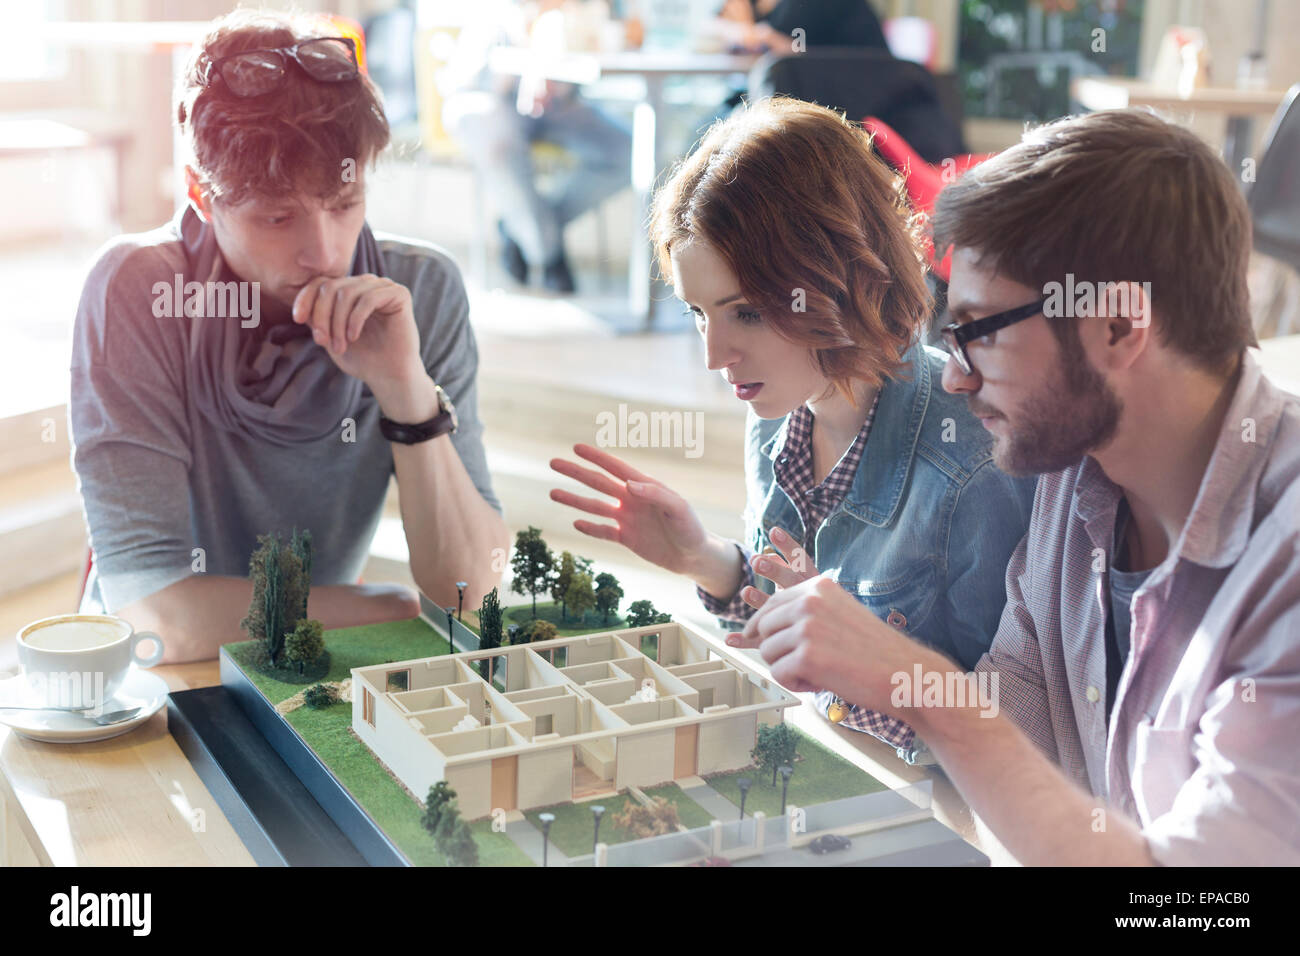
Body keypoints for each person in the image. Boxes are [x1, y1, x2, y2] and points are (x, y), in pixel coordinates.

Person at [733, 108, 1300, 864]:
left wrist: (916, 684)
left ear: (1120, 326)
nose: (957, 376)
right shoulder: (1074, 485)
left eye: (981, 331)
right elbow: (1013, 750)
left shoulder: (1283, 561)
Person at [549, 98, 1035, 763]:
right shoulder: (779, 414)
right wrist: (709, 562)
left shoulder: (975, 463)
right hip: (815, 764)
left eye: (744, 313)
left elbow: (1006, 733)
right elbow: (789, 620)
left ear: (836, 278)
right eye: (698, 313)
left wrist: (855, 667)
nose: (713, 356)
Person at [70, 10, 509, 663]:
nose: (325, 253)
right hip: (154, 676)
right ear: (200, 192)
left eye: (343, 205)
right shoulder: (139, 291)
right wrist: (383, 610)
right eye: (278, 216)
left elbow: (473, 588)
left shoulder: (420, 290)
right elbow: (153, 612)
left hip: (305, 650)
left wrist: (406, 391)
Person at [441, 0, 633, 293]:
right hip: (487, 98)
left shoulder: (572, 15)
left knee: (629, 150)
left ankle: (522, 227)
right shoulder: (493, 15)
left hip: (554, 104)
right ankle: (547, 253)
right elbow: (475, 76)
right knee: (498, 143)